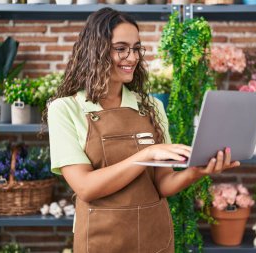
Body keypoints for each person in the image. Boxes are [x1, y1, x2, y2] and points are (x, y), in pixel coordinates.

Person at [46, 7, 240, 253]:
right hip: (100, 240)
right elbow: (85, 187)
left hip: (154, 237)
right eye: (121, 48)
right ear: (95, 51)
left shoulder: (152, 107)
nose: (132, 57)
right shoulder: (65, 109)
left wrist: (196, 172)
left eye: (136, 48)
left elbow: (163, 185)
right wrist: (146, 154)